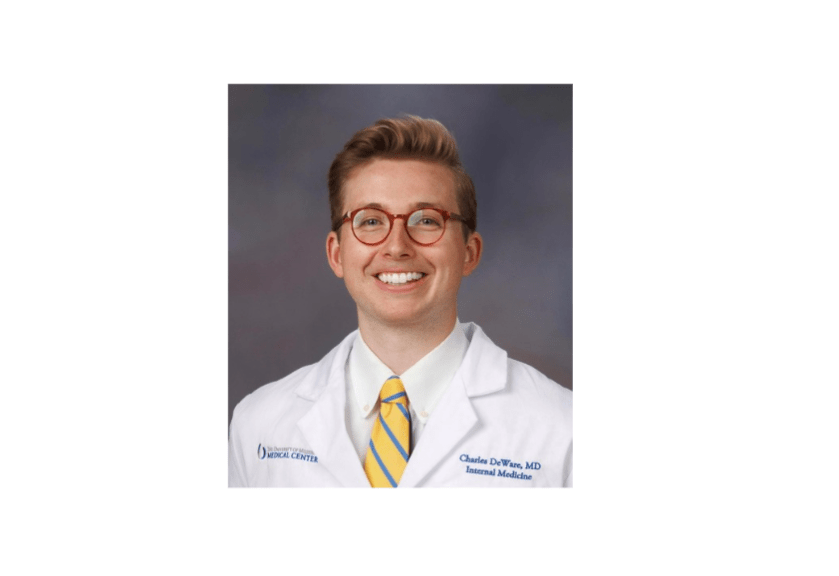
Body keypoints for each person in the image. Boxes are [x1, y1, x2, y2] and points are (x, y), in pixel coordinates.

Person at [228, 115, 572, 487]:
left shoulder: (563, 430)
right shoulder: (259, 424)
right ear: (336, 254)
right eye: (370, 221)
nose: (396, 246)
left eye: (426, 220)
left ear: (469, 252)